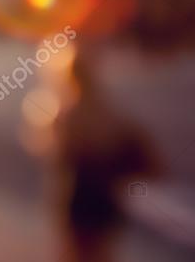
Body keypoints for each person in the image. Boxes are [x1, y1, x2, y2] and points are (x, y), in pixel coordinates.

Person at [54, 50, 160, 262]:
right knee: (101, 253)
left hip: (82, 193)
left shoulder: (69, 114)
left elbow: (63, 156)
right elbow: (134, 141)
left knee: (76, 253)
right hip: (107, 194)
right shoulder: (110, 111)